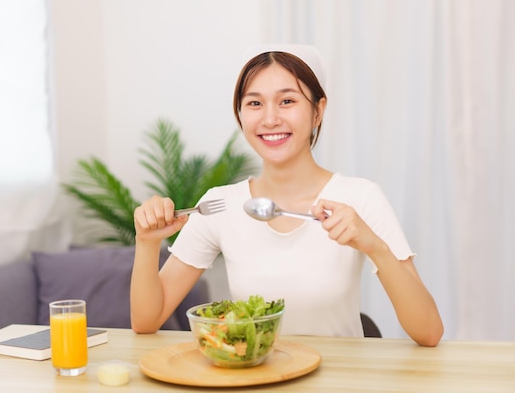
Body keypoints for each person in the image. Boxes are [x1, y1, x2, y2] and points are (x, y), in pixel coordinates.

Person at [131, 44, 444, 347]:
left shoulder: (359, 197)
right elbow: (147, 321)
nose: (270, 119)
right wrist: (147, 242)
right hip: (255, 379)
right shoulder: (220, 205)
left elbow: (429, 332)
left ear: (318, 111)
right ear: (240, 114)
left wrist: (374, 246)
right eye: (254, 103)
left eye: (287, 101)